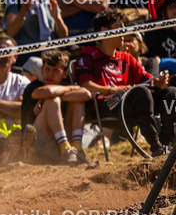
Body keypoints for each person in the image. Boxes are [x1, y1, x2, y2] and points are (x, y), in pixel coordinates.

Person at [72, 9, 175, 157]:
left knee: (171, 93)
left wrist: (158, 81)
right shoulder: (88, 54)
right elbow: (85, 84)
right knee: (140, 92)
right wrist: (113, 90)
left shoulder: (127, 58)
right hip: (105, 107)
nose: (124, 32)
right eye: (119, 27)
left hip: (132, 104)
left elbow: (147, 81)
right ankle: (156, 147)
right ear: (104, 31)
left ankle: (166, 144)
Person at [0, 37, 83, 167]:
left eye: (7, 51)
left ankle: (74, 150)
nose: (1, 55)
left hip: (22, 140)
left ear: (15, 57)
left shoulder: (22, 81)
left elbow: (22, 111)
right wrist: (12, 108)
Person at [4, 0, 68, 65]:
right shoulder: (16, 1)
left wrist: (57, 18)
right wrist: (23, 11)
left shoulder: (49, 1)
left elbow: (64, 35)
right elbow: (10, 32)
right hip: (25, 59)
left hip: (51, 58)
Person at [144, 0, 176, 76]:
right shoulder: (156, 27)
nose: (174, 11)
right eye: (171, 7)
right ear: (165, 11)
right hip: (161, 66)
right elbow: (150, 51)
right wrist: (154, 57)